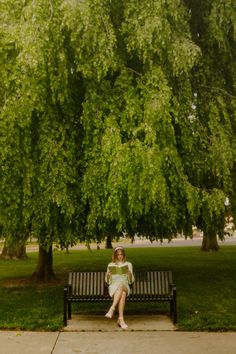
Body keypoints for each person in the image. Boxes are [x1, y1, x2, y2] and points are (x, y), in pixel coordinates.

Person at [105, 246, 134, 329]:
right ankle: (121, 319)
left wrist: (129, 274)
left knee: (122, 286)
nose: (120, 256)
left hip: (125, 285)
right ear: (115, 255)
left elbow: (131, 281)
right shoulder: (110, 265)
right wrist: (108, 275)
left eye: (121, 254)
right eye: (118, 255)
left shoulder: (128, 264)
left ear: (123, 255)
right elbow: (108, 282)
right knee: (123, 294)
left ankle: (112, 308)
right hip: (114, 287)